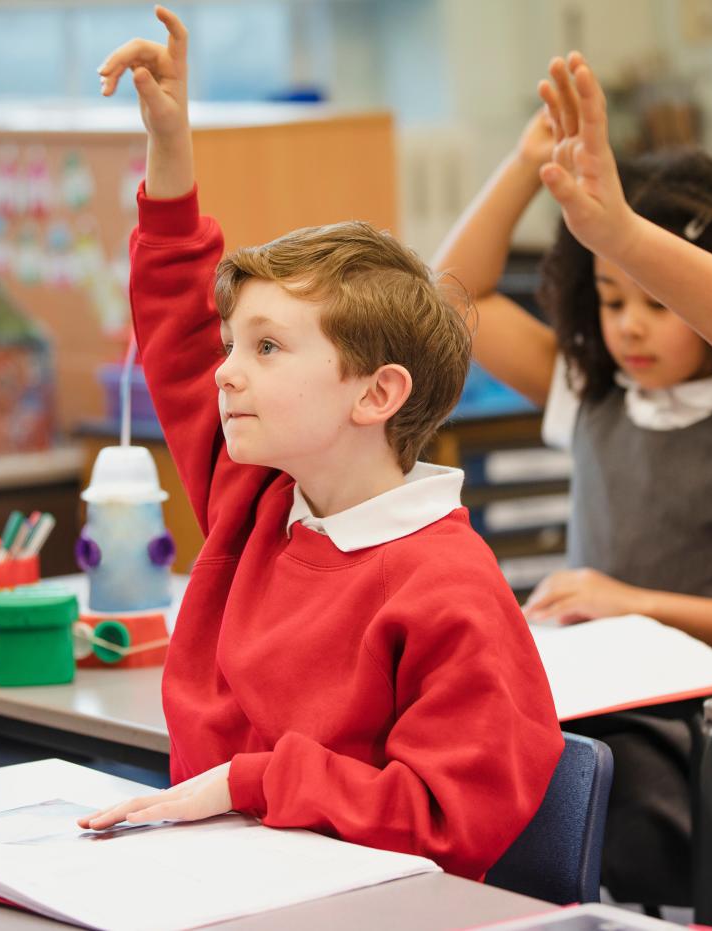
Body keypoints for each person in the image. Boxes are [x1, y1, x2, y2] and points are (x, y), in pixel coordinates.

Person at [74, 7, 562, 880]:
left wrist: (250, 782)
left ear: (377, 394)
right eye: (234, 344)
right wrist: (170, 145)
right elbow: (178, 329)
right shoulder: (254, 493)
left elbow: (450, 822)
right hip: (220, 877)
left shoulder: (449, 587)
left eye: (265, 349)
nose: (225, 371)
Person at [434, 56, 712, 904]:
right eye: (614, 300)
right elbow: (448, 295)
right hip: (604, 706)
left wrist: (634, 600)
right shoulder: (592, 392)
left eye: (660, 302)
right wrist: (527, 166)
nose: (630, 328)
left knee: (558, 793)